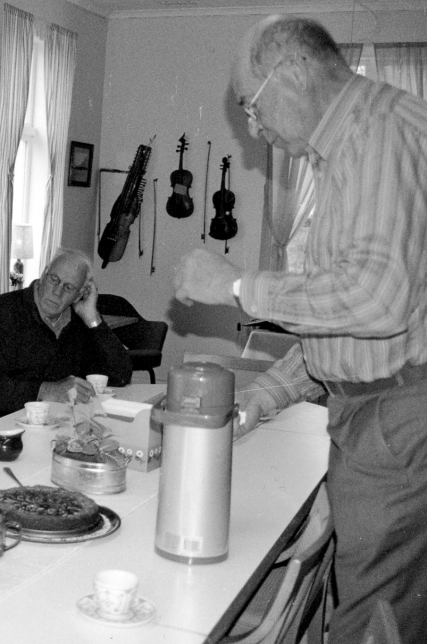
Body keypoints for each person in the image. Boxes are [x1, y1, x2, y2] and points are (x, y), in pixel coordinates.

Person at [173, 15, 427, 644]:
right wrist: (268, 394)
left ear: (291, 74)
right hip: (381, 409)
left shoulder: (378, 134)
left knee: (374, 622)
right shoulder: (354, 144)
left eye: (250, 108)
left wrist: (235, 286)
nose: (253, 128)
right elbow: (349, 329)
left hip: (394, 419)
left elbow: (375, 299)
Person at [0, 248, 132, 417]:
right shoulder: (3, 311)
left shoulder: (79, 322)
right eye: (54, 280)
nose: (57, 292)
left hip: (59, 420)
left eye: (68, 287)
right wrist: (44, 390)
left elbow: (121, 376)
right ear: (44, 274)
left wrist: (93, 319)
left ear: (79, 295)